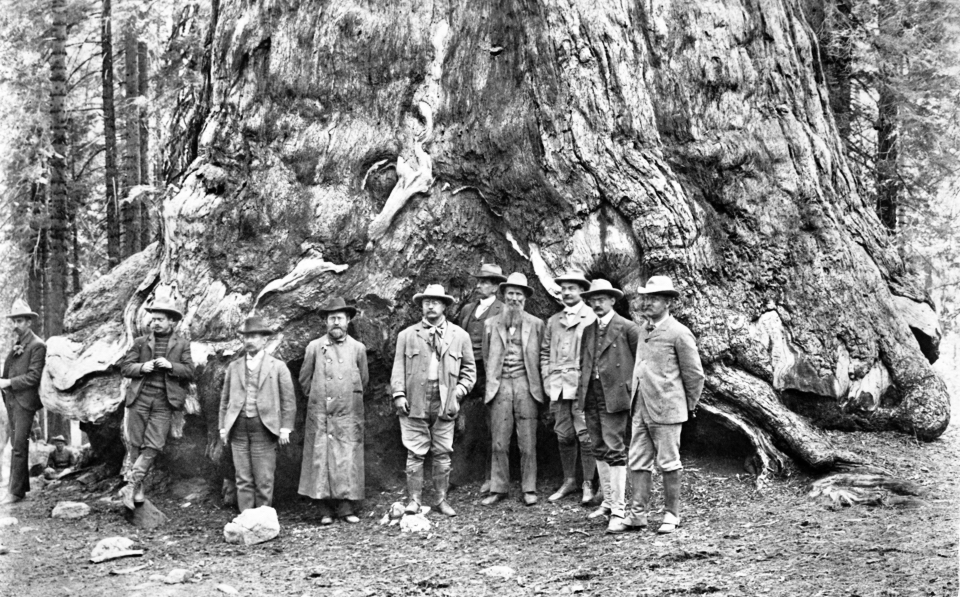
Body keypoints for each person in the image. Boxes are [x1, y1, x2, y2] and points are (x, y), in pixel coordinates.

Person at [626, 276, 704, 534]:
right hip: (640, 407)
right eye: (645, 298)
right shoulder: (643, 330)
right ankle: (638, 514)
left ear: (669, 302)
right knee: (637, 461)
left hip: (667, 410)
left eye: (654, 298)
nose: (647, 303)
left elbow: (694, 375)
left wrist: (685, 407)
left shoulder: (679, 333)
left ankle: (671, 514)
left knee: (669, 463)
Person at [390, 284, 476, 517]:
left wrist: (458, 392)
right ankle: (414, 500)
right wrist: (399, 394)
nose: (430, 305)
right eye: (426, 301)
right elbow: (398, 368)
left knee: (442, 452)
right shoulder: (407, 335)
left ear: (445, 306)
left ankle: (440, 499)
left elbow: (470, 371)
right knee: (415, 452)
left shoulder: (460, 336)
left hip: (445, 400)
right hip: (414, 399)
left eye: (435, 301)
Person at [298, 297, 369, 524]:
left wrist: (345, 399)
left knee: (347, 459)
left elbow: (363, 380)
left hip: (348, 414)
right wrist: (320, 400)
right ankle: (324, 510)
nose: (335, 322)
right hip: (322, 415)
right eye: (331, 318)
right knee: (321, 459)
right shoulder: (314, 348)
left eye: (340, 318)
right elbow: (305, 380)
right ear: (325, 322)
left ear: (348, 320)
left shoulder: (358, 349)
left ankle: (346, 508)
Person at [119, 300, 196, 509]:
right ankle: (138, 489)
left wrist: (171, 365)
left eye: (160, 319)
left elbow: (190, 371)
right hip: (139, 398)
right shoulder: (141, 342)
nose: (155, 323)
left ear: (172, 322)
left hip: (164, 401)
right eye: (153, 319)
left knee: (154, 444)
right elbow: (125, 367)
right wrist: (143, 367)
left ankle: (132, 483)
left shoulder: (181, 344)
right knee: (135, 444)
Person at [576, 279, 639, 533]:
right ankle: (608, 501)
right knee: (598, 447)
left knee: (615, 449)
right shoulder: (588, 330)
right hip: (592, 395)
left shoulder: (628, 328)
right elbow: (584, 365)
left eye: (602, 299)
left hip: (615, 396)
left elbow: (638, 365)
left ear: (613, 300)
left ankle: (619, 509)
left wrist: (631, 396)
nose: (597, 304)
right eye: (593, 299)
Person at [219, 315, 296, 512]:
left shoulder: (277, 367)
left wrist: (285, 428)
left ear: (264, 340)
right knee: (243, 477)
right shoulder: (234, 367)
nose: (249, 340)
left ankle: (263, 519)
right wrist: (222, 427)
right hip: (238, 429)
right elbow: (225, 400)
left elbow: (288, 400)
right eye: (246, 337)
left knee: (264, 478)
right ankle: (245, 518)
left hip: (265, 428)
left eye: (254, 336)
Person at [480, 273, 545, 507]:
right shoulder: (490, 324)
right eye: (511, 294)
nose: (514, 298)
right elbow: (487, 358)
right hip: (500, 386)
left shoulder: (537, 324)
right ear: (504, 296)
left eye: (519, 294)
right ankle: (499, 488)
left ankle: (529, 488)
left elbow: (541, 358)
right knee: (499, 440)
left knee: (527, 441)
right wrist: (496, 380)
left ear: (525, 298)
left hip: (526, 384)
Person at [540, 270, 598, 504]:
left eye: (571, 288)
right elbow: (545, 353)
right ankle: (569, 480)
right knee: (563, 435)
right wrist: (546, 378)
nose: (566, 292)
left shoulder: (592, 317)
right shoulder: (554, 321)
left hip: (582, 387)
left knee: (585, 436)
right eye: (563, 288)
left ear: (581, 291)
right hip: (557, 387)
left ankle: (587, 483)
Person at [457, 263, 506, 494]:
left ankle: (490, 476)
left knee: (491, 424)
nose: (479, 286)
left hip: (489, 371)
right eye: (479, 281)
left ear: (496, 286)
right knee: (457, 420)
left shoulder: (502, 310)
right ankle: (457, 473)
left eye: (485, 282)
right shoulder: (467, 310)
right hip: (466, 370)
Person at [0, 299, 46, 504]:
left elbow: (33, 377)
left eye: (20, 321)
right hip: (12, 400)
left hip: (25, 402)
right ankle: (21, 487)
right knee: (18, 445)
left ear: (29, 322)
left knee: (19, 446)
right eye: (14, 321)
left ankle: (14, 492)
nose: (16, 325)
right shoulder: (19, 344)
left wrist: (9, 382)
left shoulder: (37, 346)